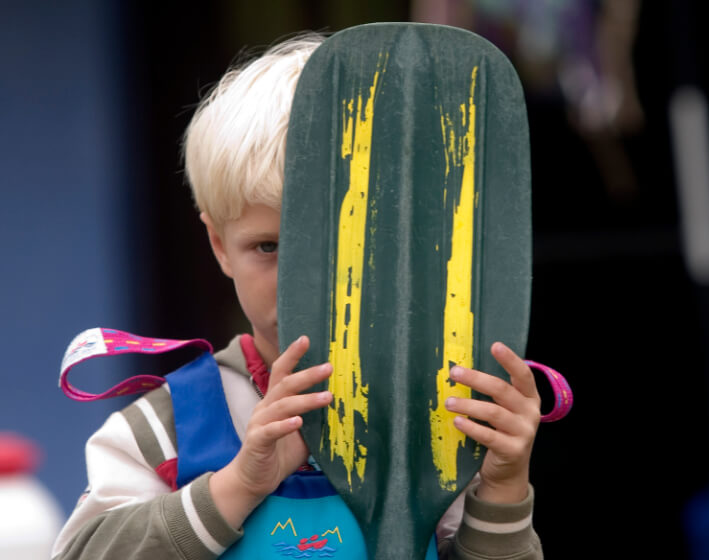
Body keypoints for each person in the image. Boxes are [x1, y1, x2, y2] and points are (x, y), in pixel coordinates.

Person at [52, 32, 544, 559]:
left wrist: (502, 489)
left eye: (341, 251)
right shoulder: (165, 428)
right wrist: (238, 484)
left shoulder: (439, 419)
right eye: (268, 247)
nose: (298, 282)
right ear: (219, 245)